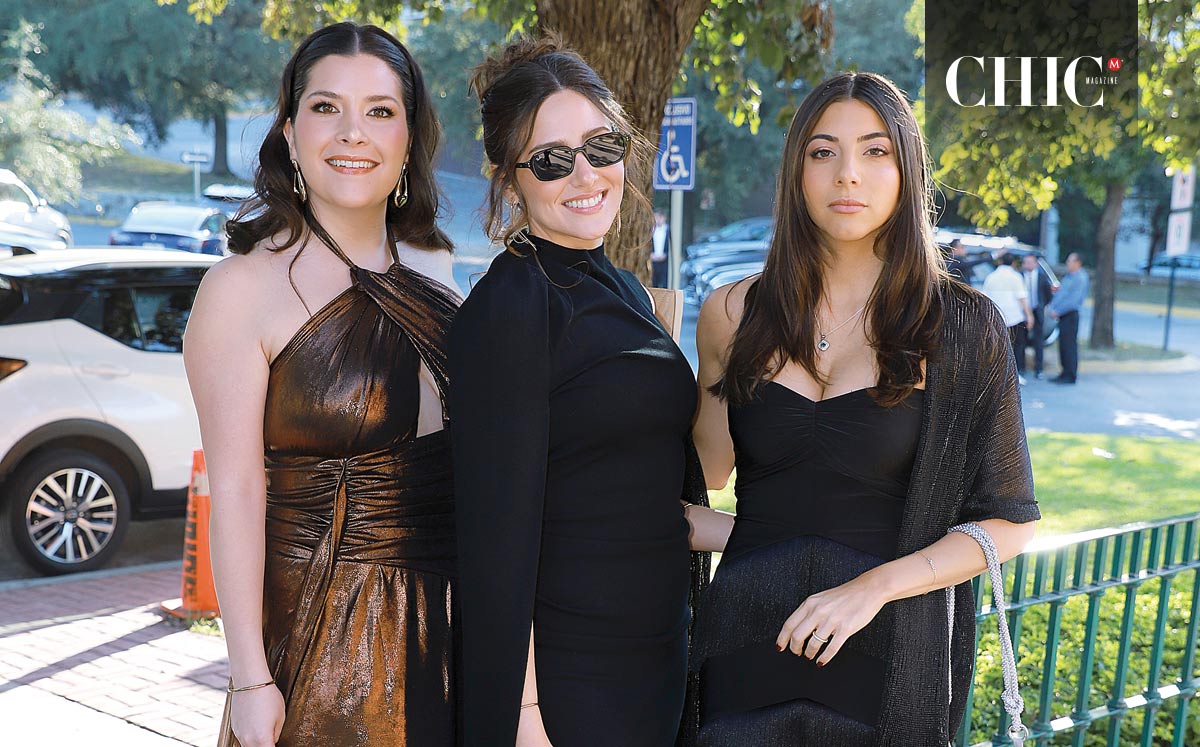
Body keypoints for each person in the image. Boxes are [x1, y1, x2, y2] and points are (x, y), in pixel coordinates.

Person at [689, 72, 1040, 746]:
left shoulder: (964, 326)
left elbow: (1009, 521)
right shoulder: (730, 314)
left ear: (907, 168)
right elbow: (706, 471)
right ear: (797, 172)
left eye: (875, 151)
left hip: (886, 655)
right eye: (823, 152)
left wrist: (872, 586)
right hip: (743, 636)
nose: (848, 174)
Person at [449, 35, 732, 747]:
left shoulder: (622, 285)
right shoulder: (512, 307)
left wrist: (802, 537)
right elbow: (492, 541)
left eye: (601, 147)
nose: (586, 175)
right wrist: (526, 717)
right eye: (550, 160)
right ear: (509, 180)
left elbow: (637, 501)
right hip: (567, 691)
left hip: (653, 660)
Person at [183, 23, 461, 747]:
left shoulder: (437, 266)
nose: (352, 133)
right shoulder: (241, 289)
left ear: (409, 137)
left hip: (452, 627)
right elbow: (237, 492)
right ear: (289, 129)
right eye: (325, 107)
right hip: (320, 636)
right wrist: (248, 676)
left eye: (379, 110)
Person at [982, 253, 1034, 383]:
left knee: (997, 347)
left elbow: (984, 298)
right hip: (1014, 317)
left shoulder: (991, 277)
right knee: (1017, 347)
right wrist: (1029, 315)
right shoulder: (1016, 277)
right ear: (1013, 263)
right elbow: (1022, 298)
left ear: (1000, 262)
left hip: (995, 318)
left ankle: (996, 374)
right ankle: (1016, 374)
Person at [1048, 252, 1089, 384]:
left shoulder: (1080, 278)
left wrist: (1058, 311)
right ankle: (1064, 372)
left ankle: (1070, 375)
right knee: (1063, 345)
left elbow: (1073, 300)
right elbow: (1062, 294)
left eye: (1070, 261)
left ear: (1078, 263)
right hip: (1062, 315)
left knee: (1070, 345)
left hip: (1070, 314)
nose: (1067, 263)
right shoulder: (1069, 276)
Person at [1022, 254, 1054, 379]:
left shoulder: (1041, 277)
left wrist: (1044, 307)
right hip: (1023, 311)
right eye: (1026, 262)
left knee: (1038, 341)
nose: (1028, 265)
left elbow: (1048, 295)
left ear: (1035, 264)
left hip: (1037, 310)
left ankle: (1039, 368)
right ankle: (1021, 368)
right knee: (1021, 340)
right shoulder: (1020, 276)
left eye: (1030, 262)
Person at [651, 209, 670, 288]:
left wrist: (666, 255)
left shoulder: (669, 230)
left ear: (663, 217)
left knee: (665, 284)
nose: (657, 220)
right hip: (653, 262)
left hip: (665, 263)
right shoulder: (650, 230)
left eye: (658, 217)